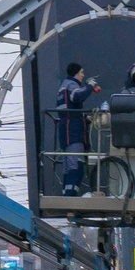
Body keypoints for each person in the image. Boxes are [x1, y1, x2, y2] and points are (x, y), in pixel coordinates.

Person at [53, 62, 97, 196]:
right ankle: (71, 196)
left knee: (68, 166)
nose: (83, 76)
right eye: (82, 73)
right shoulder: (71, 84)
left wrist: (85, 118)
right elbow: (77, 97)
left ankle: (67, 194)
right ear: (76, 73)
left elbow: (69, 108)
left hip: (66, 131)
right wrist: (90, 86)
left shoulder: (63, 86)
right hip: (73, 131)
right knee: (76, 165)